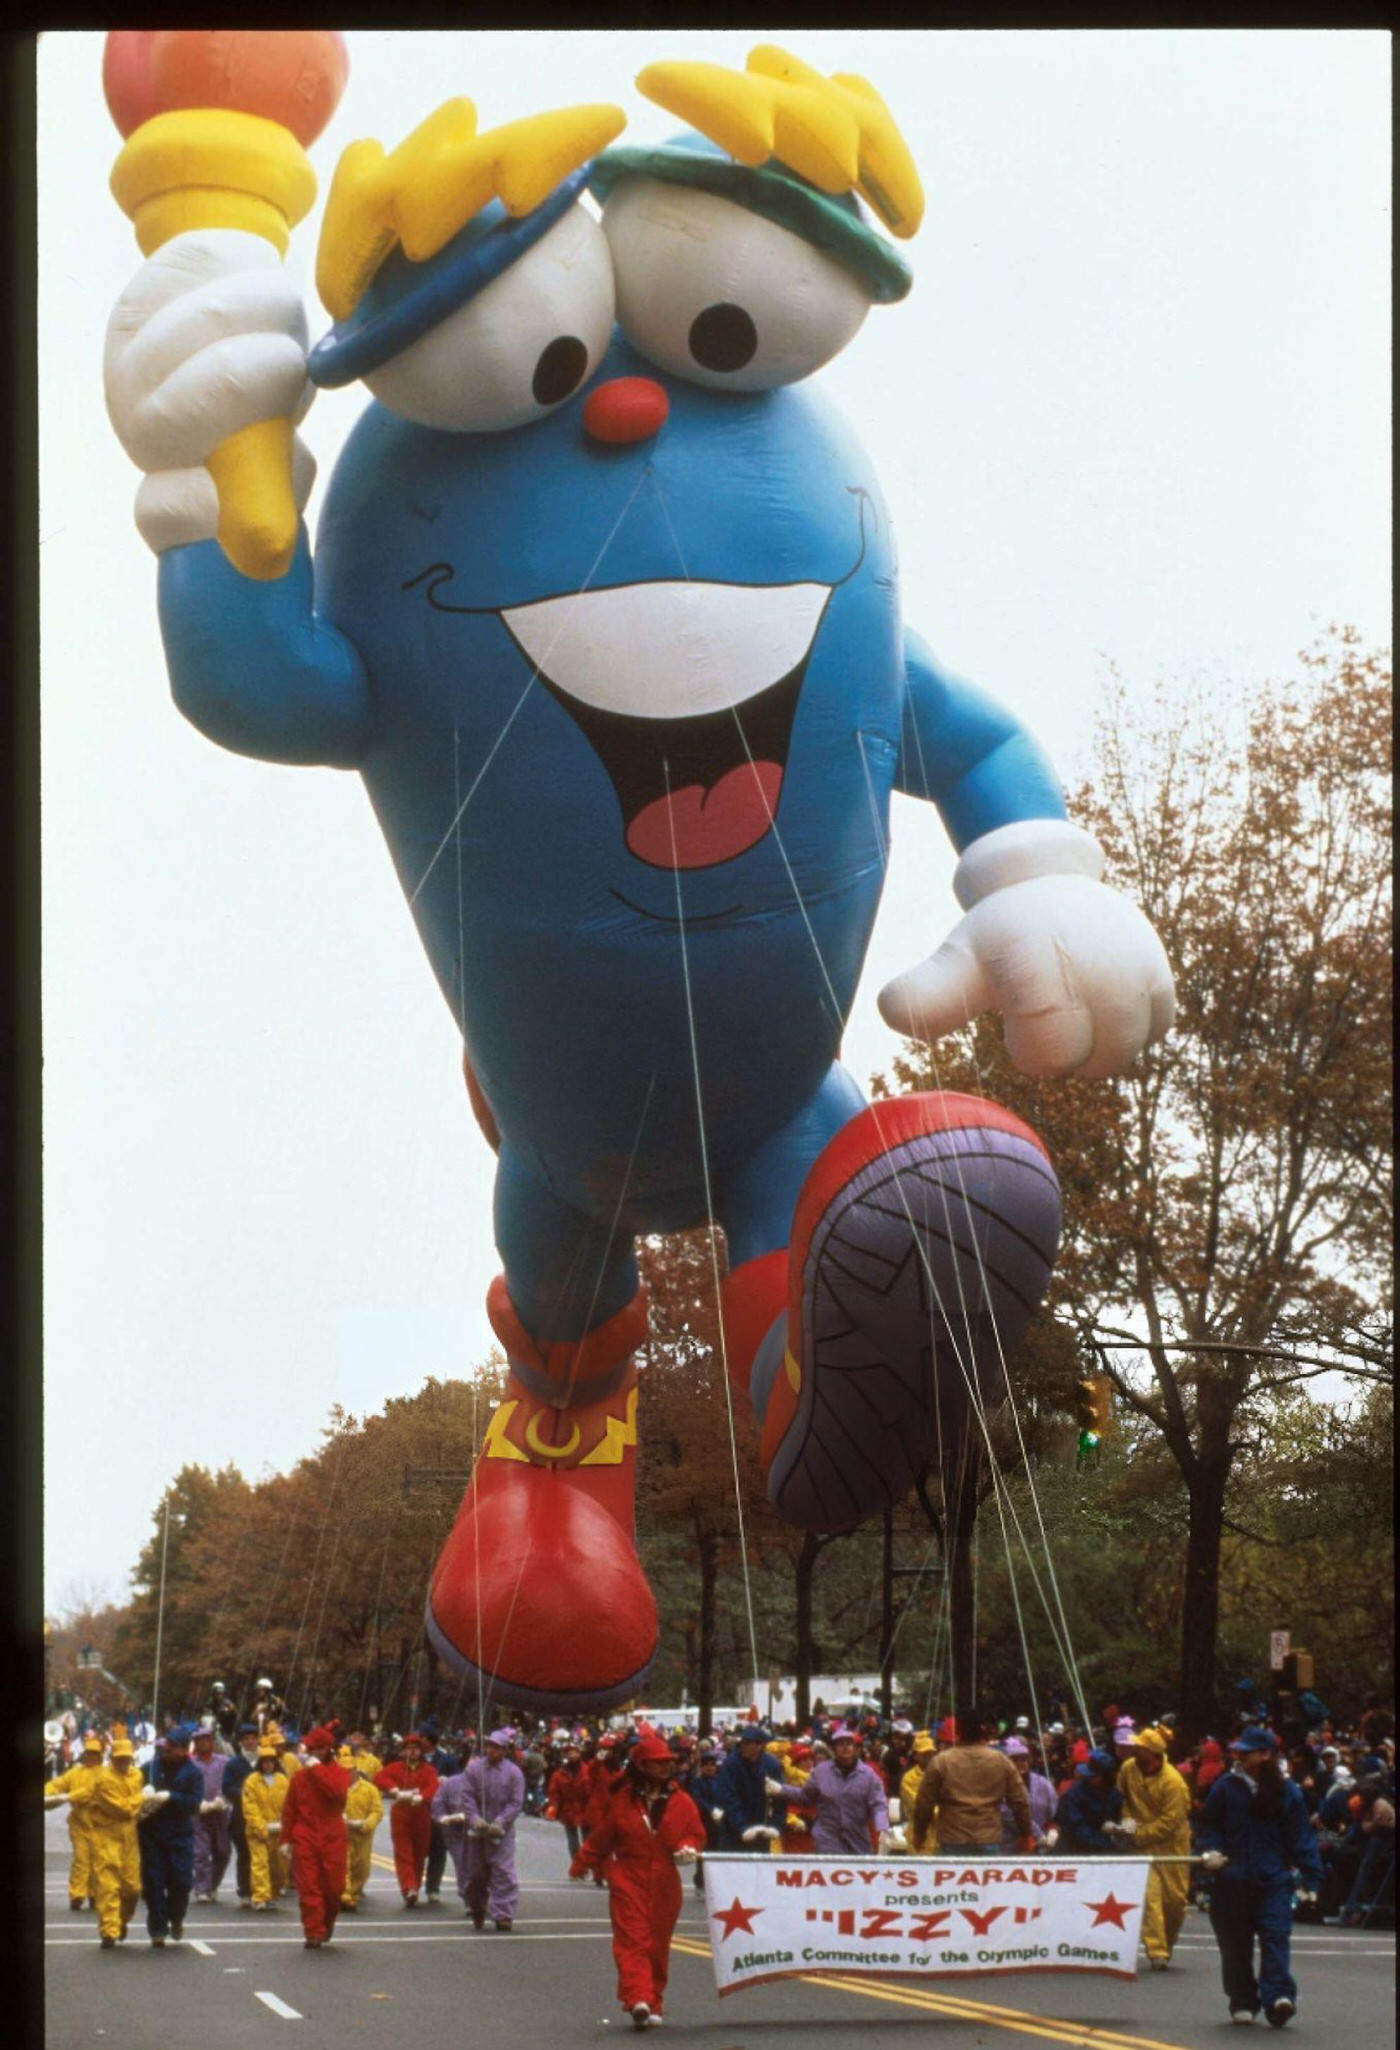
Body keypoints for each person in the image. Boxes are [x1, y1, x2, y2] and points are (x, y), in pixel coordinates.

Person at [570, 1727, 706, 2031]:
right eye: (657, 1762)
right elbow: (604, 1835)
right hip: (628, 1875)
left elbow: (695, 1833)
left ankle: (653, 2000)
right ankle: (638, 1998)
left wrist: (689, 1848)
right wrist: (582, 1862)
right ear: (642, 1765)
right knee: (633, 1940)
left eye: (667, 1762)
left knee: (657, 1944)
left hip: (665, 1882)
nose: (664, 1767)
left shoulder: (682, 1801)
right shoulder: (623, 1801)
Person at [1198, 1725, 1323, 2028]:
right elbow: (1208, 1827)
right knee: (1234, 1943)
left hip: (1273, 1876)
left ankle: (1279, 1996)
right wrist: (1209, 1857)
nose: (1240, 1755)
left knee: (1276, 1934)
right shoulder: (1225, 1787)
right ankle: (1242, 1999)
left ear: (1266, 1754)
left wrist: (1311, 1879)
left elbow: (1302, 1836)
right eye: (1239, 1750)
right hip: (1231, 1876)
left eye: (1248, 1751)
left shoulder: (1287, 1790)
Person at [1108, 1726, 1191, 1969]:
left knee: (1174, 1902)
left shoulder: (1173, 1782)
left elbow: (1170, 1821)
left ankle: (1167, 1941)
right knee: (1150, 1897)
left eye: (1140, 1747)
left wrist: (1139, 1835)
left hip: (1171, 1847)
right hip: (1140, 1846)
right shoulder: (1128, 1769)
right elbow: (1125, 1803)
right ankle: (1157, 1951)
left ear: (1152, 1754)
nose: (1134, 1749)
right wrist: (1128, 1830)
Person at [913, 1713, 1032, 1857]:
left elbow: (924, 1802)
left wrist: (919, 1833)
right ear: (982, 1731)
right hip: (988, 1836)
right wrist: (1026, 1834)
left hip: (952, 1837)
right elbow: (1020, 1801)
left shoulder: (941, 1761)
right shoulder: (1001, 1761)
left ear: (958, 1733)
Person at [281, 1725, 352, 1948]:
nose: (314, 1752)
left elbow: (337, 1793)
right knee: (308, 1886)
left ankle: (326, 1921)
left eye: (319, 1748)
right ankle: (313, 1931)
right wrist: (285, 1839)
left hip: (332, 1832)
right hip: (306, 1833)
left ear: (328, 1749)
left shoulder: (339, 1773)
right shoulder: (299, 1777)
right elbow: (290, 1808)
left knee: (334, 1887)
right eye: (311, 1748)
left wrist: (317, 1770)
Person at [137, 1724, 204, 1948]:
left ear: (185, 1749)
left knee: (182, 1881)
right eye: (167, 1743)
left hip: (179, 1834)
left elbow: (194, 1803)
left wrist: (171, 1796)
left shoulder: (193, 1772)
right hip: (151, 1833)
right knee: (153, 1883)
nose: (167, 1748)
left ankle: (176, 1917)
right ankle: (157, 1928)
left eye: (173, 1745)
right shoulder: (150, 1767)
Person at [781, 1724, 892, 1853]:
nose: (845, 1748)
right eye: (840, 1744)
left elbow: (878, 1804)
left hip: (858, 1841)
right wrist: (781, 1790)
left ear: (855, 1749)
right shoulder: (820, 1771)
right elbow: (805, 1797)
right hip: (827, 1841)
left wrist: (882, 1827)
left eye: (849, 1744)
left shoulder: (868, 1775)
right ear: (833, 1749)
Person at [462, 1726, 526, 1931]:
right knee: (476, 1874)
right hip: (477, 1830)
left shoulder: (514, 1773)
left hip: (501, 1832)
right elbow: (467, 1796)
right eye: (490, 1746)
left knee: (503, 1872)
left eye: (497, 1748)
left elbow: (516, 1803)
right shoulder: (474, 1769)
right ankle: (477, 1907)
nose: (492, 1751)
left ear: (505, 1750)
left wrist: (501, 1822)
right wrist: (474, 1818)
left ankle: (503, 1913)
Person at [89, 1736, 146, 1950]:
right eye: (119, 1758)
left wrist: (138, 1801)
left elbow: (131, 1810)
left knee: (132, 1888)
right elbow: (123, 1809)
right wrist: (141, 1799)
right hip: (106, 1836)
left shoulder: (136, 1775)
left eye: (127, 1758)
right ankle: (109, 1932)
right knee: (108, 1886)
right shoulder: (104, 1780)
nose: (123, 1762)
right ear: (112, 1758)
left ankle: (121, 1920)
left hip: (129, 1837)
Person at [375, 1732, 440, 1906]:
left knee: (419, 1854)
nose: (412, 1752)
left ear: (421, 1751)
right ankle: (408, 1886)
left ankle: (414, 1888)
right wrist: (394, 1790)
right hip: (401, 1815)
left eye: (416, 1749)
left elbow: (434, 1785)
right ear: (403, 1751)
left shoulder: (429, 1770)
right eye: (409, 1749)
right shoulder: (396, 1767)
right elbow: (379, 1778)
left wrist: (423, 1796)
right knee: (403, 1853)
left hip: (421, 1814)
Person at [44, 1730, 106, 1910]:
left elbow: (94, 1792)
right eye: (88, 1753)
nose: (91, 1756)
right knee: (81, 1859)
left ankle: (95, 1894)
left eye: (94, 1753)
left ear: (100, 1755)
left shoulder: (106, 1773)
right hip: (79, 1824)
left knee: (98, 1861)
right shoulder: (75, 1773)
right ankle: (77, 1895)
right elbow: (57, 1784)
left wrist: (72, 1796)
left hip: (101, 1825)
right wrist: (46, 1793)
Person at [712, 1725, 785, 1852]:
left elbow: (781, 1798)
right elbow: (728, 1798)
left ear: (760, 1745)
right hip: (732, 1831)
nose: (742, 1746)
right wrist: (742, 1827)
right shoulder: (731, 1763)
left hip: (761, 1829)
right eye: (742, 1743)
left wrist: (776, 1826)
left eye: (747, 1743)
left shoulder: (772, 1765)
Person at [243, 1739, 291, 1910]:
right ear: (260, 1763)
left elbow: (290, 1804)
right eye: (265, 1762)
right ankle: (260, 1896)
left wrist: (285, 1825)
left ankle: (273, 1893)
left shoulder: (282, 1780)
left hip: (279, 1832)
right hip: (258, 1831)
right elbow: (250, 1807)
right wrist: (262, 1827)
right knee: (260, 1863)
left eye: (271, 1762)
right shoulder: (252, 1781)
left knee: (279, 1866)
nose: (268, 1765)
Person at [190, 1722, 233, 1903]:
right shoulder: (190, 1764)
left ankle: (213, 1884)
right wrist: (195, 1801)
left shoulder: (224, 1762)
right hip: (198, 1813)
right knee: (200, 1852)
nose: (203, 1744)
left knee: (222, 1852)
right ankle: (202, 1888)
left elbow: (230, 1783)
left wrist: (223, 1798)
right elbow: (185, 1785)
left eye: (206, 1740)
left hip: (220, 1812)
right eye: (199, 1741)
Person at [339, 1746, 385, 1913]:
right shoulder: (336, 1788)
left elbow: (377, 1810)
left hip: (363, 1833)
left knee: (362, 1866)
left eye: (349, 1771)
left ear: (356, 1770)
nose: (347, 1774)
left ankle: (354, 1892)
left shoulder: (369, 1789)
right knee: (343, 1864)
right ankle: (344, 1894)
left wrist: (366, 1824)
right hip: (343, 1833)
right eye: (343, 1771)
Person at [222, 1722, 262, 1908]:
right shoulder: (234, 1763)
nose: (250, 1742)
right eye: (246, 1739)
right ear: (241, 1742)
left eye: (253, 1738)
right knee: (245, 1855)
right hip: (241, 1817)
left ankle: (262, 1889)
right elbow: (227, 1787)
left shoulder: (266, 1760)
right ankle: (245, 1890)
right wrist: (246, 1794)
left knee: (262, 1855)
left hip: (265, 1815)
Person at [998, 1735, 1058, 1852]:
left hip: (1041, 1847)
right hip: (1009, 1848)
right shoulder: (999, 1784)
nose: (1021, 1763)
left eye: (1024, 1759)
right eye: (1015, 1759)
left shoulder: (1043, 1783)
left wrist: (1053, 1829)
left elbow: (1054, 1813)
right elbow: (1008, 1814)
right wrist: (1037, 1834)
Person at [547, 1740, 592, 1866]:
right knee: (573, 1841)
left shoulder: (588, 1770)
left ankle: (588, 1865)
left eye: (574, 1752)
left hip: (585, 1809)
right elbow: (554, 1792)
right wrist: (553, 1807)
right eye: (569, 1753)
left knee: (587, 1839)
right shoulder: (560, 1773)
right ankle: (577, 1865)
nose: (572, 1755)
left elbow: (594, 1790)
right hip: (568, 1809)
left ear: (579, 1754)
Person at [901, 1730, 937, 1851]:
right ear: (916, 1755)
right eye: (924, 1753)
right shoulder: (908, 1778)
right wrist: (942, 1813)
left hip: (941, 1833)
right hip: (918, 1832)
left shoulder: (941, 1773)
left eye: (930, 1753)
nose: (928, 1756)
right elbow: (918, 1804)